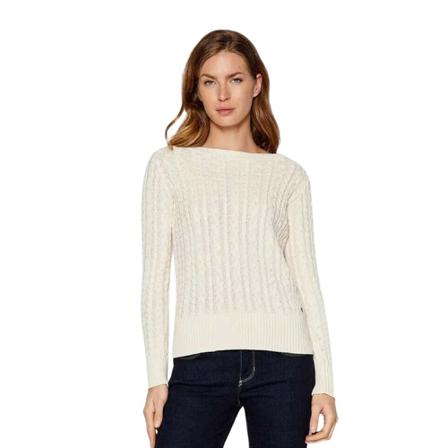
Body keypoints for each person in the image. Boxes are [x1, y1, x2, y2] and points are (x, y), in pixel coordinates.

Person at [141, 29, 338, 448]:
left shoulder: (288, 176)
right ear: (196, 90)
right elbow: (154, 279)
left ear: (257, 84)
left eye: (235, 79)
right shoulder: (169, 167)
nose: (223, 94)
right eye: (209, 81)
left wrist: (325, 383)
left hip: (285, 363)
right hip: (199, 363)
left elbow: (307, 281)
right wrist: (156, 378)